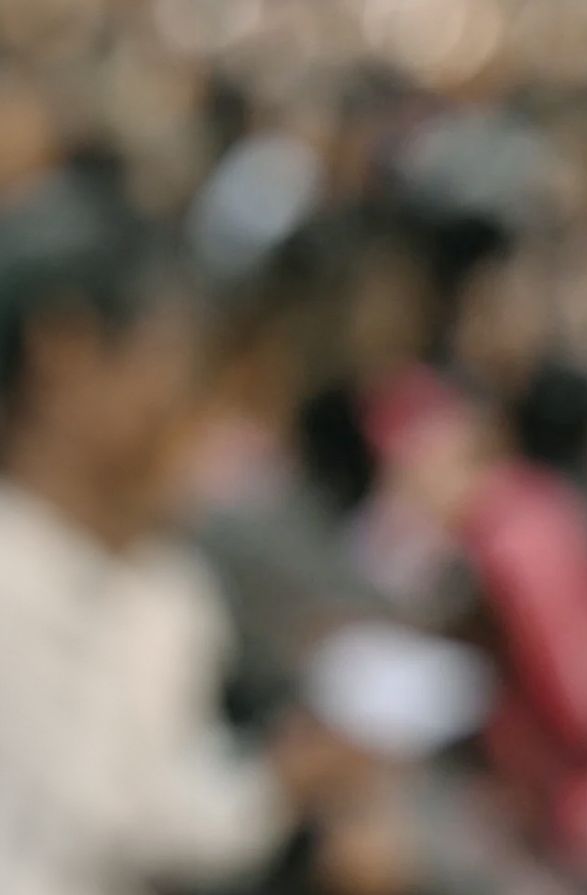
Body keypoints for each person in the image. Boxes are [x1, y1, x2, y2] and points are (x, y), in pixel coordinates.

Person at [0, 161, 303, 895]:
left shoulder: (163, 587)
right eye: (164, 357)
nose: (181, 400)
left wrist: (287, 784)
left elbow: (164, 810)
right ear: (63, 351)